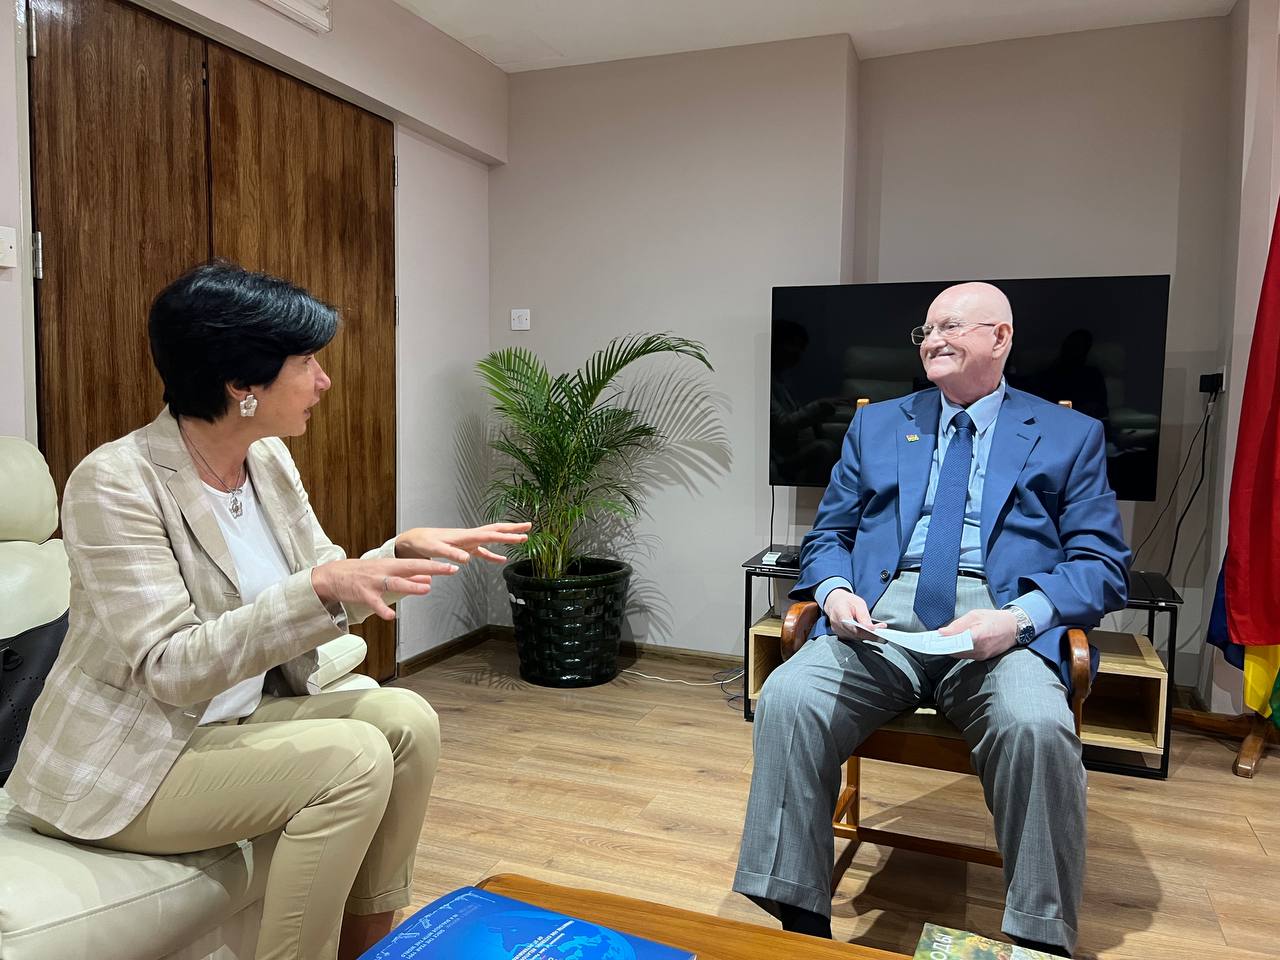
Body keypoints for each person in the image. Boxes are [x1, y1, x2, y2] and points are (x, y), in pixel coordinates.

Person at [6, 262, 530, 960]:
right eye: (307, 362)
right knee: (352, 759)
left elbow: (325, 580)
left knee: (408, 720)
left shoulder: (268, 460)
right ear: (241, 383)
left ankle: (370, 947)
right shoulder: (116, 481)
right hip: (135, 760)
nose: (324, 381)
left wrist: (395, 556)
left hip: (232, 721)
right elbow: (170, 666)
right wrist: (321, 586)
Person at [733, 282, 1130, 958]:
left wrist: (1018, 620)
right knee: (789, 699)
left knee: (1036, 726)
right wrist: (834, 592)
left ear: (1000, 338)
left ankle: (1038, 938)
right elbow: (828, 535)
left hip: (997, 631)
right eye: (926, 329)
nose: (932, 340)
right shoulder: (878, 425)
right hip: (880, 623)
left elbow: (1102, 563)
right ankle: (802, 926)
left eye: (951, 326)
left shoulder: (1069, 434)